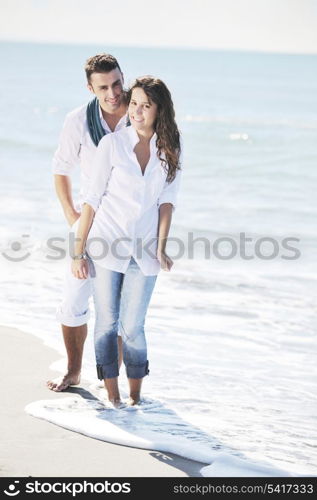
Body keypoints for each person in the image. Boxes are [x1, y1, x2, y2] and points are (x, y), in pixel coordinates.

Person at [71, 76, 182, 407]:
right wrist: (78, 252)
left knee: (133, 326)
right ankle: (113, 396)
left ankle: (136, 399)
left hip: (145, 250)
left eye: (145, 105)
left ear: (159, 109)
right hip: (106, 245)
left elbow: (167, 200)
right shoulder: (113, 145)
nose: (136, 111)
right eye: (133, 103)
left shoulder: (171, 147)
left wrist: (161, 246)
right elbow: (92, 200)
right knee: (106, 322)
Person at [47, 54, 127, 392]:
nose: (113, 93)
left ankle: (113, 381)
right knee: (74, 300)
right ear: (90, 88)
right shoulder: (78, 120)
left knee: (121, 309)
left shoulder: (140, 112)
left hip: (128, 226)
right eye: (104, 87)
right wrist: (71, 217)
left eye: (117, 83)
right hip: (88, 226)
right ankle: (73, 371)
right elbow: (61, 168)